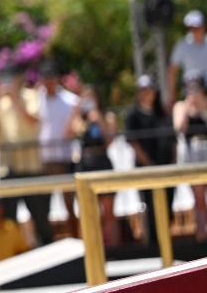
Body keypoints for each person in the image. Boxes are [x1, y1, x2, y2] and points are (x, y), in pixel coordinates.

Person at [0, 70, 52, 246]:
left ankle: (48, 252)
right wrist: (0, 100)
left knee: (40, 215)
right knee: (9, 218)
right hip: (8, 167)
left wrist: (15, 99)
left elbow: (33, 120)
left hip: (32, 166)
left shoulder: (31, 96)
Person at [126, 75, 176, 243]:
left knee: (168, 207)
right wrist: (149, 165)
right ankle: (154, 244)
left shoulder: (162, 114)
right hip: (147, 171)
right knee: (151, 208)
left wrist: (172, 164)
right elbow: (133, 142)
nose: (146, 94)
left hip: (167, 170)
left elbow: (173, 140)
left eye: (149, 90)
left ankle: (165, 240)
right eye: (143, 90)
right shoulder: (133, 116)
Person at [68, 86, 119, 246]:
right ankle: (89, 248)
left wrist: (98, 118)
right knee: (87, 212)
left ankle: (112, 246)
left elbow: (109, 141)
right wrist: (76, 113)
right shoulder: (79, 120)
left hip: (102, 160)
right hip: (85, 163)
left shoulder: (107, 117)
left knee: (109, 211)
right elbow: (68, 133)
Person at [36, 62, 79, 237]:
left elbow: (75, 127)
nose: (49, 82)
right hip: (43, 159)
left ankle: (76, 239)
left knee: (69, 203)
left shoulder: (71, 100)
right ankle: (47, 241)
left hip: (65, 158)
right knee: (42, 205)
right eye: (46, 78)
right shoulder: (36, 99)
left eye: (51, 78)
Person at [173, 77, 207, 240]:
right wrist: (188, 108)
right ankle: (202, 234)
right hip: (193, 152)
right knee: (199, 197)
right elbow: (180, 128)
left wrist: (202, 106)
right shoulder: (181, 106)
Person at [169, 10, 207, 102]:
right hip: (190, 91)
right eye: (191, 28)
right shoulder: (182, 45)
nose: (194, 30)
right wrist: (172, 94)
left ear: (203, 26)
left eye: (197, 27)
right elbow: (172, 70)